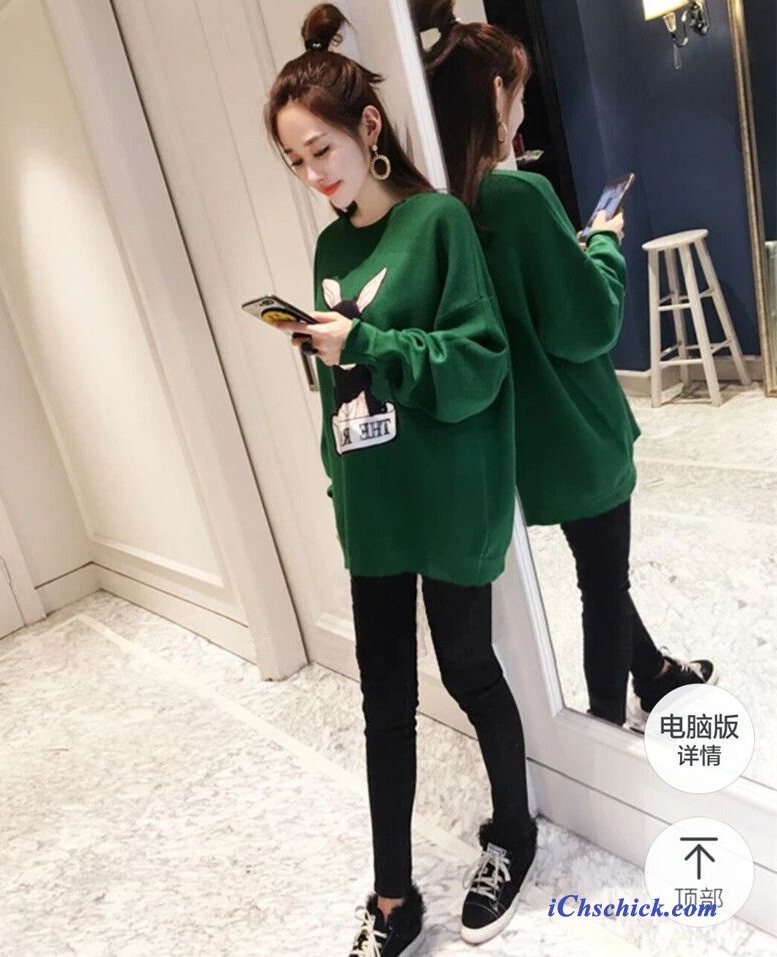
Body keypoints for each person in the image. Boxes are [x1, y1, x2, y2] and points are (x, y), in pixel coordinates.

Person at [264, 4, 536, 952]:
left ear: (367, 127)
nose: (314, 175)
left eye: (322, 150)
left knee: (468, 670)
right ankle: (392, 899)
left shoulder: (438, 224)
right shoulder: (330, 249)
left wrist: (369, 342)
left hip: (448, 498)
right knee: (383, 699)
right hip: (374, 506)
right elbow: (342, 394)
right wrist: (330, 366)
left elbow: (479, 365)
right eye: (295, 161)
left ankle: (514, 832)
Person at [412, 0, 716, 731]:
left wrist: (566, 258)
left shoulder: (438, 208)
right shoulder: (519, 192)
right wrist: (604, 242)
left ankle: (656, 674)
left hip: (521, 437)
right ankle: (608, 732)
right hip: (576, 430)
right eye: (517, 92)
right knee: (603, 583)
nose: (520, 109)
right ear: (496, 93)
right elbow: (589, 323)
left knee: (598, 569)